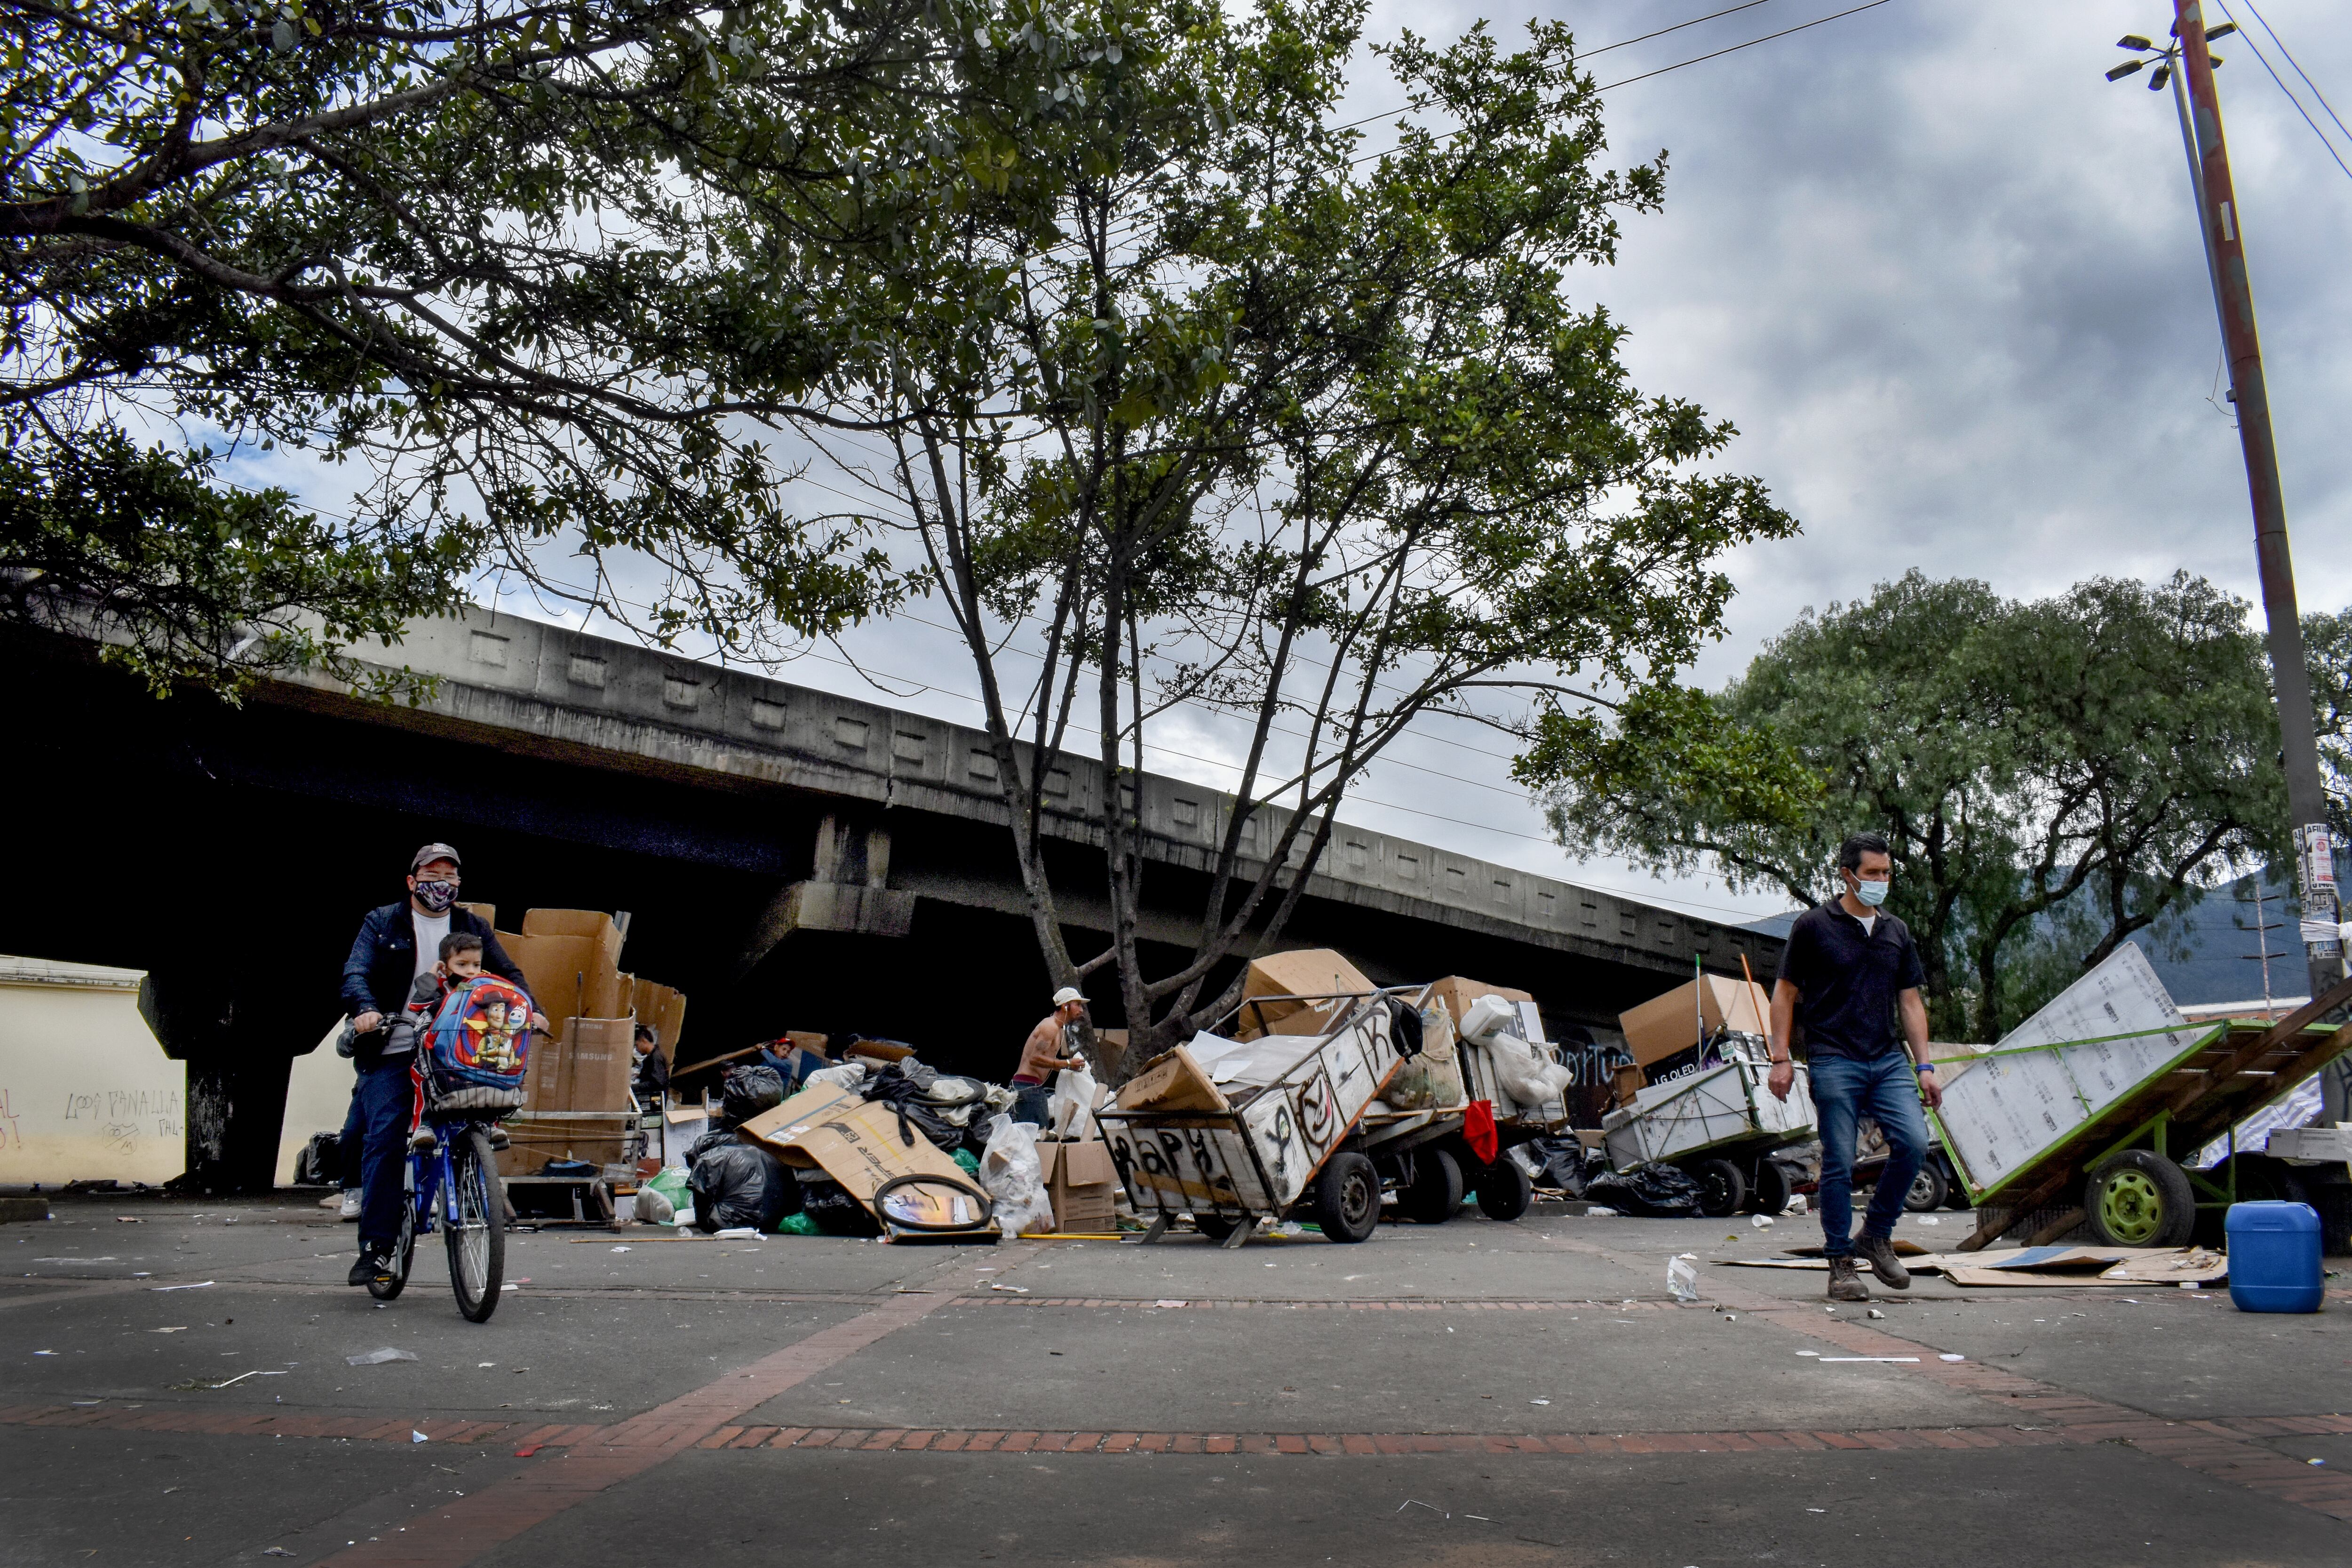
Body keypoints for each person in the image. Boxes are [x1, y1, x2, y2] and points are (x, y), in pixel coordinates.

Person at [337, 843, 543, 1288]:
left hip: (454, 1049)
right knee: (385, 1136)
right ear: (412, 881)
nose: (442, 884)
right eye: (433, 875)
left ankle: (472, 1156)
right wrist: (366, 1009)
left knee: (485, 1099)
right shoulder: (382, 922)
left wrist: (533, 1009)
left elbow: (509, 975)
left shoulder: (472, 926)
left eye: (450, 876)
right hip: (394, 1046)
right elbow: (356, 973)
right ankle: (377, 1247)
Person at [1766, 831, 1942, 1303]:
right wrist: (1780, 1058)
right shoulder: (1813, 926)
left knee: (1913, 1143)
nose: (1881, 880)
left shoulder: (1895, 931)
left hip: (1886, 1059)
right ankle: (1840, 1263)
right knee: (1840, 1161)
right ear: (1847, 874)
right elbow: (1784, 993)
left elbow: (1910, 1001)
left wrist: (1925, 1065)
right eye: (1872, 873)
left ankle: (1876, 1234)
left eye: (1887, 873)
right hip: (1833, 1058)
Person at [1010, 987, 1089, 1126]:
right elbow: (1035, 1059)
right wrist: (1067, 1063)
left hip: (1031, 1087)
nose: (1081, 1010)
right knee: (1036, 1134)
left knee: (1038, 1132)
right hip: (1027, 1087)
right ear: (1065, 1006)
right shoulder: (1050, 1027)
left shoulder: (1058, 1029)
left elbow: (1046, 1060)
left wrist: (1069, 1066)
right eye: (1077, 1004)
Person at [632, 1022, 670, 1106]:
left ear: (644, 1041)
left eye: (637, 1045)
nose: (637, 1049)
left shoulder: (656, 1058)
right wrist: (641, 1076)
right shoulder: (653, 1056)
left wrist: (633, 1088)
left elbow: (657, 1083)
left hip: (655, 1103)